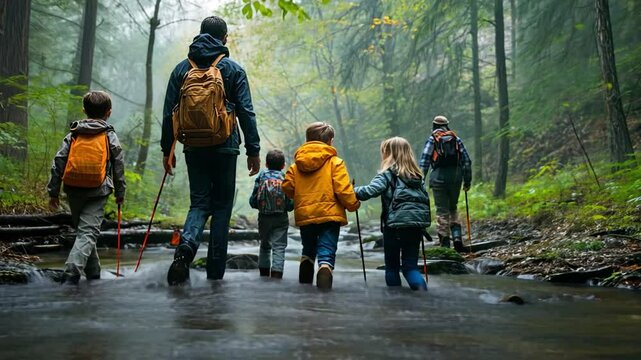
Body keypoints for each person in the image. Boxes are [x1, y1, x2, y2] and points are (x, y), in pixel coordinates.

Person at [162, 16, 260, 284]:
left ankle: (186, 248)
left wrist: (166, 149)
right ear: (224, 38)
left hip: (193, 146)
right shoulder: (233, 69)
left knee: (199, 203)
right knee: (221, 209)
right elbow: (246, 112)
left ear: (200, 35)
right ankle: (215, 275)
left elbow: (169, 112)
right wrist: (253, 149)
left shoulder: (182, 69)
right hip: (225, 146)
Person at [47, 91, 126, 284]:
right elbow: (118, 165)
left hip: (73, 188)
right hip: (98, 190)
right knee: (88, 232)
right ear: (109, 112)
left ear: (84, 110)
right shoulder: (109, 136)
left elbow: (59, 161)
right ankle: (71, 272)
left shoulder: (73, 134)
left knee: (85, 232)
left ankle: (94, 274)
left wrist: (53, 192)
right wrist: (120, 192)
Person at [282, 122, 360, 290]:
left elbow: (287, 187)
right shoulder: (335, 163)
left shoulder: (296, 165)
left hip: (305, 215)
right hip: (330, 215)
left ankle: (306, 267)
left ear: (308, 139)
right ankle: (324, 268)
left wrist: (299, 197)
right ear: (330, 141)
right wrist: (353, 205)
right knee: (327, 248)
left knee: (308, 247)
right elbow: (343, 189)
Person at [354, 137, 429, 291]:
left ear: (388, 154)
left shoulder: (387, 175)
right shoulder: (417, 177)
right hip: (415, 227)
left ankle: (396, 304)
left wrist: (350, 190)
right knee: (410, 267)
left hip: (394, 228)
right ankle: (423, 298)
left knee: (392, 267)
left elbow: (369, 191)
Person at [419, 115, 471, 252]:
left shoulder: (432, 139)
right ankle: (457, 237)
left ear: (434, 125)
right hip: (455, 177)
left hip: (438, 178)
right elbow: (466, 161)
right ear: (447, 125)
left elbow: (424, 162)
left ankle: (445, 244)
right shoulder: (456, 139)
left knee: (442, 210)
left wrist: (420, 181)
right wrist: (467, 181)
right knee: (453, 207)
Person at [249, 149, 293, 279]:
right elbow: (290, 202)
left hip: (264, 217)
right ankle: (276, 274)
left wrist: (257, 205)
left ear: (266, 164)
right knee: (279, 246)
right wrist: (289, 208)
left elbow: (253, 199)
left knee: (265, 245)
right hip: (281, 218)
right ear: (283, 165)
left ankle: (263, 274)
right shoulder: (285, 177)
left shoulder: (262, 176)